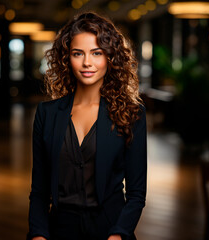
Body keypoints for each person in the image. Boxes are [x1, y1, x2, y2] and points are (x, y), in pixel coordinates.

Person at [27, 11, 147, 240]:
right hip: (58, 230)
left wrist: (119, 234)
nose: (87, 62)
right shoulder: (46, 113)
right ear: (66, 59)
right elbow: (39, 192)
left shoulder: (132, 114)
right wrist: (38, 234)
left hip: (110, 231)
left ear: (110, 57)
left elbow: (136, 194)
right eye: (77, 53)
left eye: (96, 53)